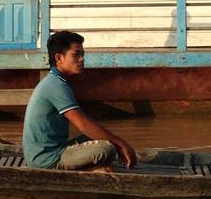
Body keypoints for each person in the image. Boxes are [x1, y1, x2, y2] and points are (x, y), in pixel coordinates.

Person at [22, 31, 137, 171]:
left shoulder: (55, 81)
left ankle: (95, 167)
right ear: (59, 58)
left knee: (99, 139)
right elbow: (83, 124)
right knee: (107, 149)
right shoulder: (55, 86)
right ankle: (92, 169)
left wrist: (116, 141)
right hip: (47, 160)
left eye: (82, 55)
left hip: (53, 151)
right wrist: (121, 144)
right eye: (76, 54)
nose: (81, 59)